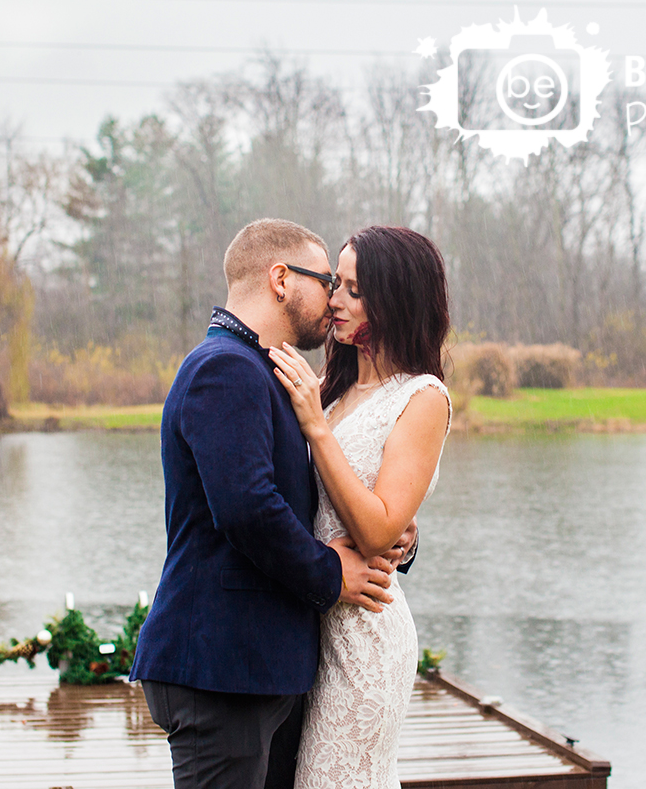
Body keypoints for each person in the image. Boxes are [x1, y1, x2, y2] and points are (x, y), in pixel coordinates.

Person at [129, 218, 415, 789]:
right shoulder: (225, 370)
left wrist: (394, 533)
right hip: (221, 664)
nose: (333, 297)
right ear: (280, 279)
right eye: (326, 280)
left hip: (255, 665)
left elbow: (303, 496)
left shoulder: (267, 371)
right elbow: (247, 509)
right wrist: (333, 571)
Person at [267, 225, 452, 789]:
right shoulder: (330, 386)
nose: (335, 300)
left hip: (365, 636)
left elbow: (376, 534)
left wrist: (316, 430)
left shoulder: (422, 398)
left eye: (353, 289)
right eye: (335, 283)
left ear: (396, 298)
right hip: (311, 631)